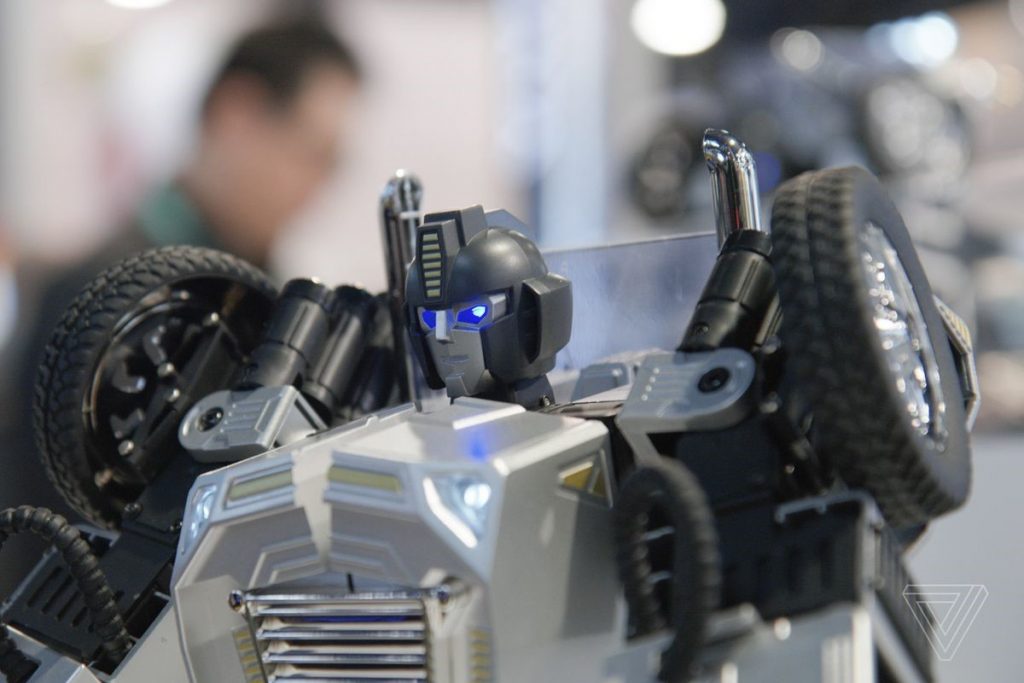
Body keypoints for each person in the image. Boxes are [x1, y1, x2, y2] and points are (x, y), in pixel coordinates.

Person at [0, 18, 361, 593]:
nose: (318, 186)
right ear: (236, 113)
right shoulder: (104, 298)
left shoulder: (265, 298)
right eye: (314, 155)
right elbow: (54, 550)